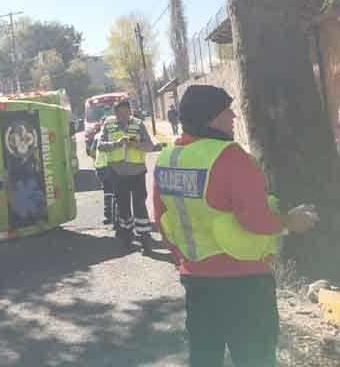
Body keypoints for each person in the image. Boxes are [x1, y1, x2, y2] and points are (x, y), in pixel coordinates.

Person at [153, 85, 319, 367]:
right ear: (210, 118)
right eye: (226, 110)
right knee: (255, 357)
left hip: (196, 279)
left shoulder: (167, 159)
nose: (233, 116)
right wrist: (290, 222)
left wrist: (185, 259)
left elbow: (162, 219)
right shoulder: (230, 157)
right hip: (244, 282)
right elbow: (255, 220)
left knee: (205, 356)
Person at [96, 100, 155, 252]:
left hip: (137, 173)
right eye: (119, 114)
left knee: (140, 206)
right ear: (115, 114)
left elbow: (150, 146)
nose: (122, 116)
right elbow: (100, 146)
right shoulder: (108, 124)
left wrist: (136, 145)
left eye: (125, 113)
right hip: (117, 173)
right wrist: (116, 143)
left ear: (130, 111)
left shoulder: (138, 124)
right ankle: (126, 237)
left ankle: (145, 239)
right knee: (123, 207)